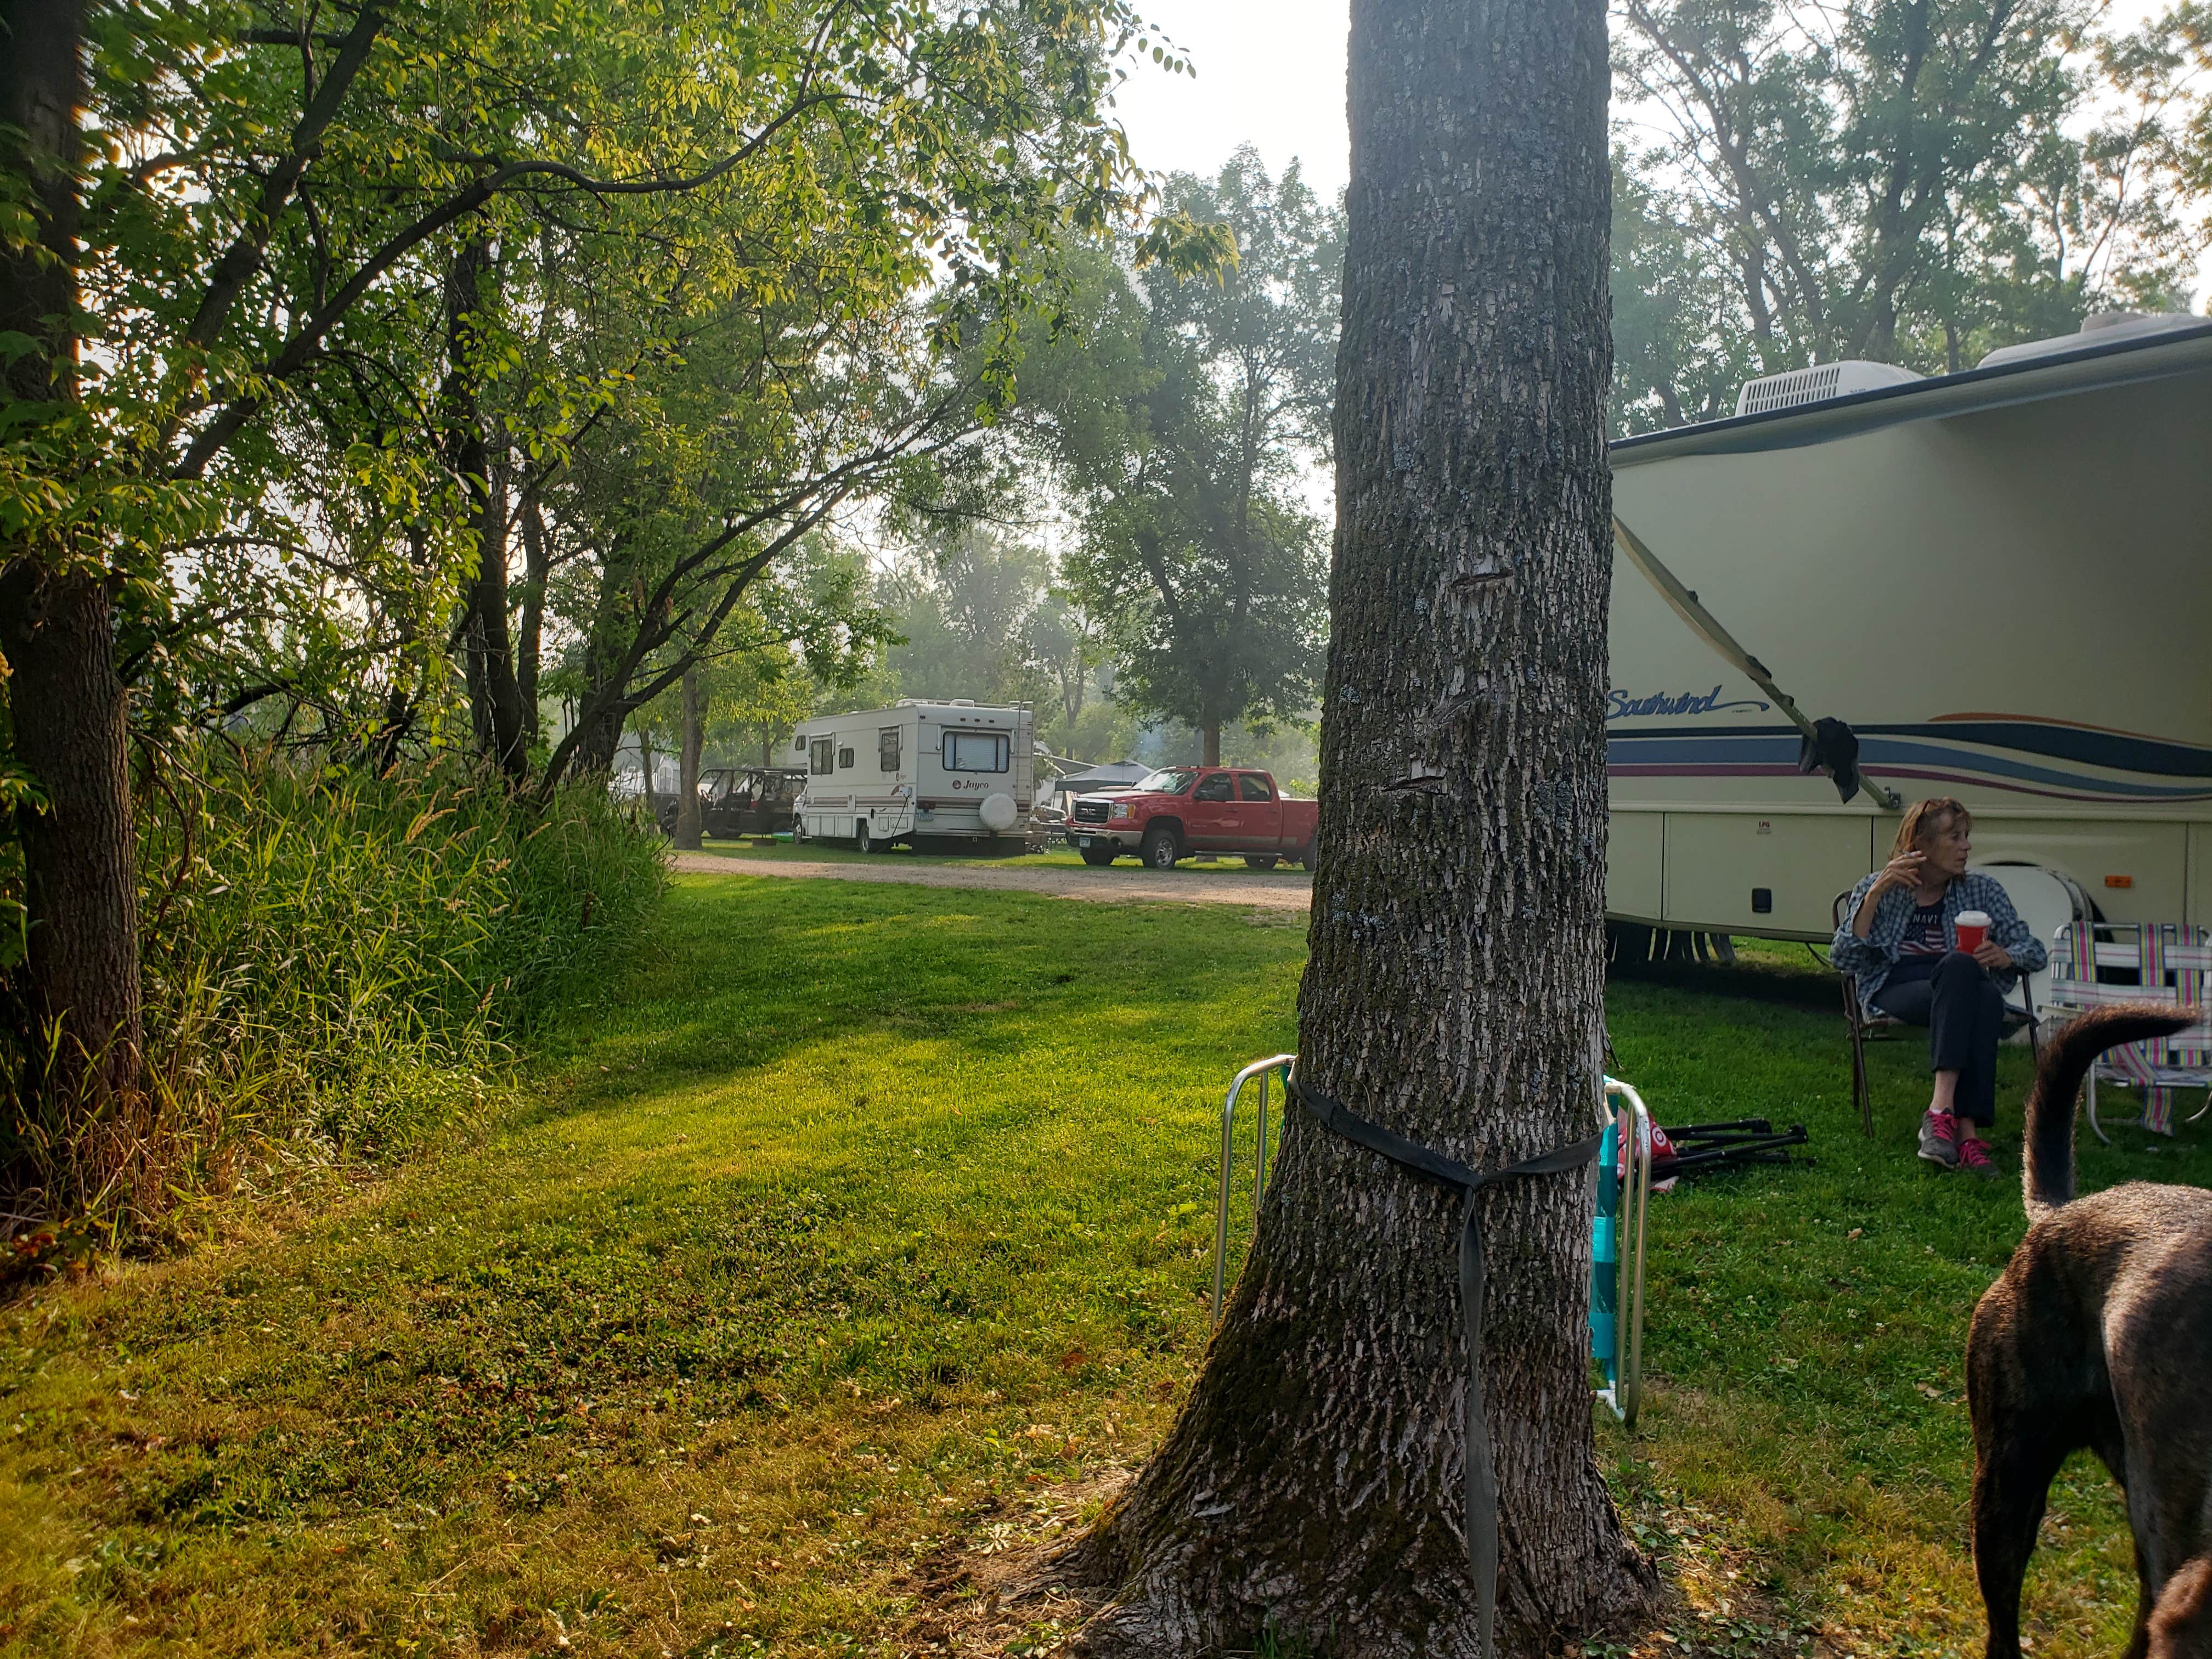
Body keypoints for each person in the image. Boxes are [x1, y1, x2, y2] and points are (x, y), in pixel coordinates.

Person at [1831, 797, 2048, 1176]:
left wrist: (2005, 956)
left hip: (1961, 991)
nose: (1966, 847)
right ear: (1922, 845)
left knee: (1975, 988)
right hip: (1897, 989)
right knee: (1975, 987)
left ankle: (1947, 1121)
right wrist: (1875, 895)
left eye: (1966, 836)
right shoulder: (1879, 889)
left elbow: (2033, 950)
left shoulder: (1983, 890)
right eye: (1955, 837)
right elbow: (1844, 958)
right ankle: (1964, 1133)